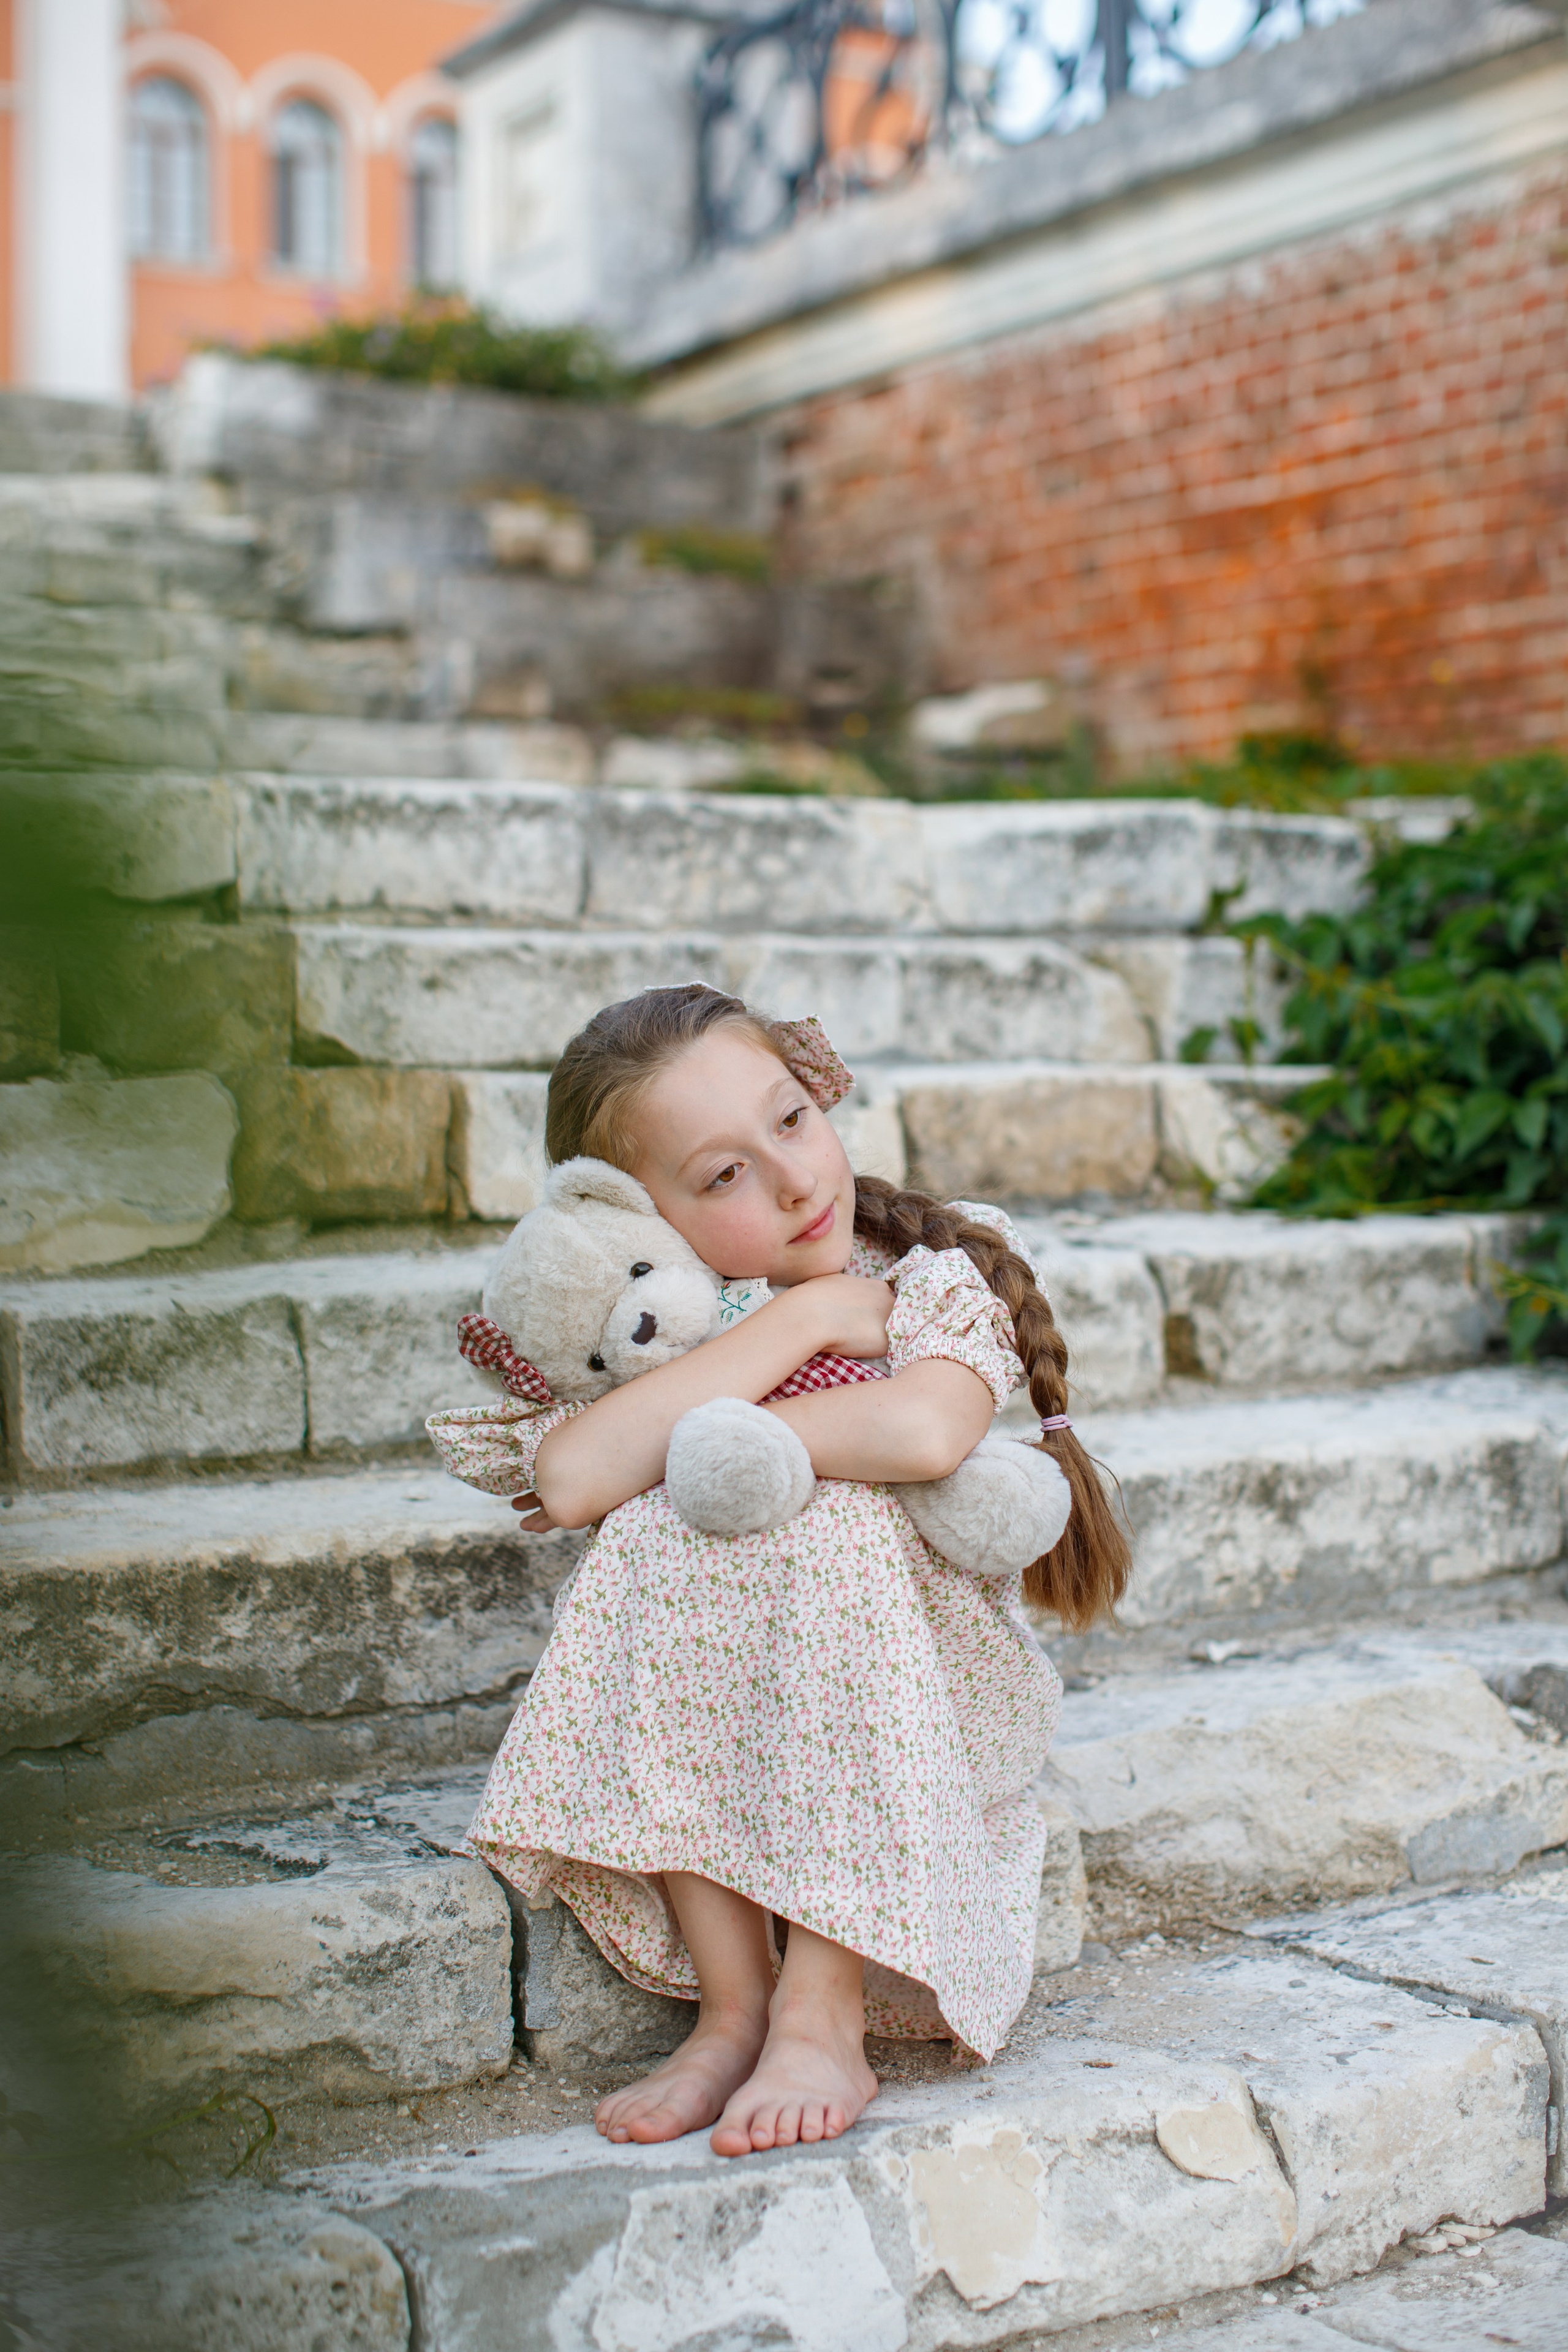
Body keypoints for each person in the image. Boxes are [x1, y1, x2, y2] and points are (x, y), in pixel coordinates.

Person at [428, 985, 1129, 2159]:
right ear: (639, 1217)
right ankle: (736, 2007)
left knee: (803, 1511)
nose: (797, 1182)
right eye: (724, 1176)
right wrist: (804, 1326)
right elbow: (577, 1475)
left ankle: (821, 2009)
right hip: (733, 1685)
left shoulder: (931, 1270)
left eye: (793, 1121)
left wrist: (699, 1446)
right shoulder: (675, 1316)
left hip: (918, 1686)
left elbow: (923, 1434)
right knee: (662, 1524)